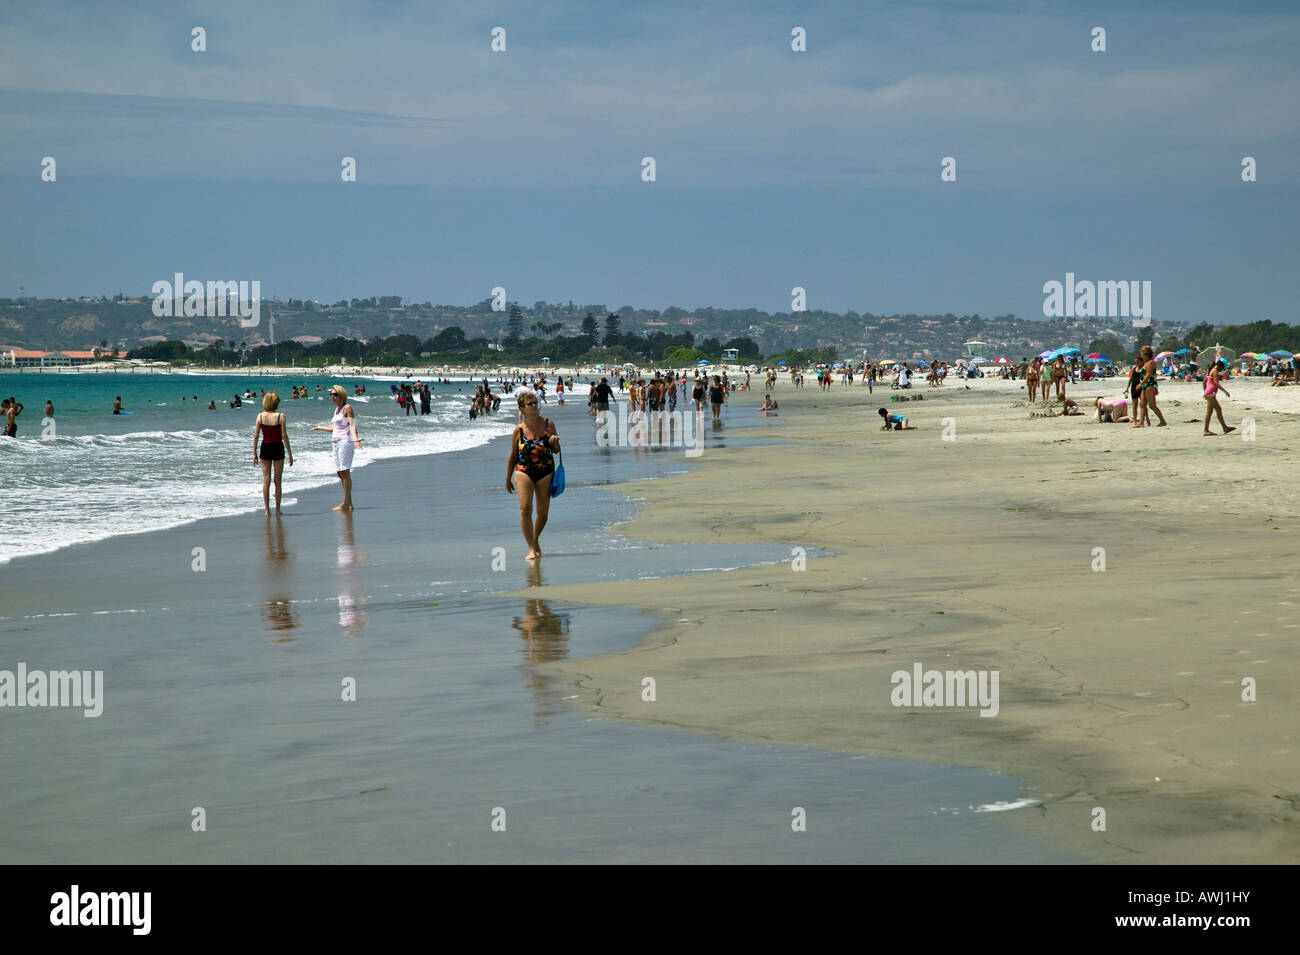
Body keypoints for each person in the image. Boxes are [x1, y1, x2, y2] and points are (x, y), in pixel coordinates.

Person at [507, 390, 560, 562]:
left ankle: (535, 539)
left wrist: (554, 443)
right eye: (530, 403)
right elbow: (513, 455)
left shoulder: (548, 424)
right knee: (525, 509)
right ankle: (531, 548)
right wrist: (507, 478)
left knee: (543, 513)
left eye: (535, 402)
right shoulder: (519, 430)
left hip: (545, 470)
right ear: (522, 408)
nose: (534, 405)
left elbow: (556, 450)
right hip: (524, 471)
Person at [310, 385, 362, 511]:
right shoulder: (337, 410)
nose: (332, 396)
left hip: (345, 442)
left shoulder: (347, 408)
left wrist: (356, 440)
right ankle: (347, 502)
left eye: (335, 394)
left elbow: (351, 426)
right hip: (336, 442)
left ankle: (347, 502)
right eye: (331, 394)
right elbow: (337, 429)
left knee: (345, 471)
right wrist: (321, 427)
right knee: (339, 472)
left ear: (341, 395)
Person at [254, 391, 294, 516]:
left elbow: (256, 436)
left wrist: (254, 453)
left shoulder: (260, 416)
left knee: (266, 481)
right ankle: (277, 509)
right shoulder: (280, 416)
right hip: (278, 447)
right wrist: (290, 453)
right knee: (278, 481)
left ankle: (267, 510)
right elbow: (284, 435)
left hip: (265, 447)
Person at [1136, 345, 1168, 427]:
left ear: (1146, 354)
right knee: (1142, 404)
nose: (1141, 355)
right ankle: (1141, 423)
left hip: (1150, 385)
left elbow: (1148, 374)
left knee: (1152, 405)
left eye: (1142, 354)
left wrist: (1140, 384)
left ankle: (1163, 421)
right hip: (1145, 385)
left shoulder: (1151, 363)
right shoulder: (1145, 363)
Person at [1203, 359, 1236, 436]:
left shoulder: (1212, 369)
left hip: (1210, 393)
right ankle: (1206, 430)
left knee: (1218, 409)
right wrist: (1225, 391)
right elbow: (1216, 383)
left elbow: (1205, 381)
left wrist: (1205, 392)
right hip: (1211, 393)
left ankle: (1225, 427)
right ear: (1220, 366)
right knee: (1209, 412)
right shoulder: (1215, 371)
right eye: (1222, 368)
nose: (1222, 370)